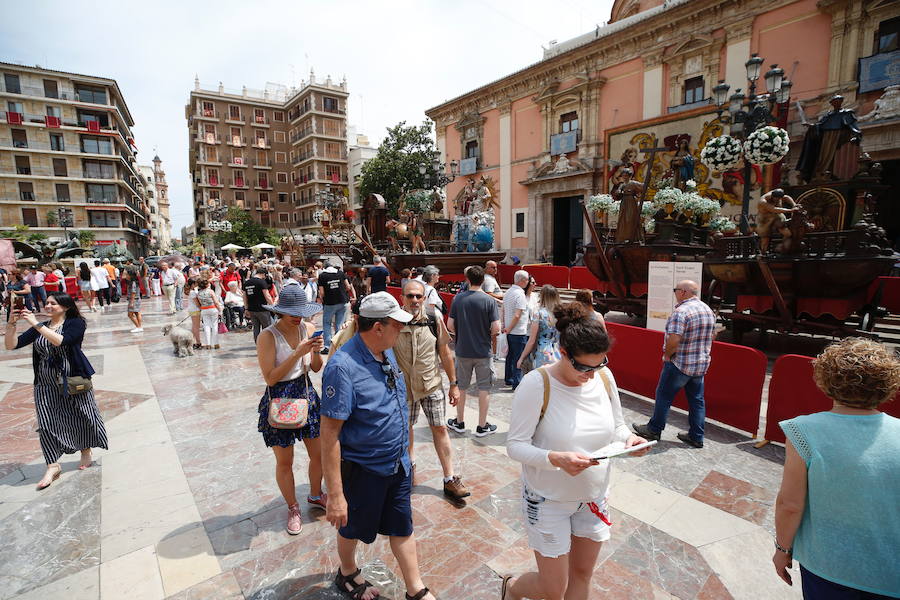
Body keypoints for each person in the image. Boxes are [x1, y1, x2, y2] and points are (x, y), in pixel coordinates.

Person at [504, 303, 651, 600]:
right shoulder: (537, 384)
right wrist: (555, 459)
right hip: (548, 499)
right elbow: (515, 445)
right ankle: (511, 587)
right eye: (584, 366)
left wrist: (630, 440)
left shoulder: (604, 378)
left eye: (600, 364)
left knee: (582, 575)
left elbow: (618, 426)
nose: (591, 374)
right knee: (552, 589)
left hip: (593, 496)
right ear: (563, 352)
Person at [320, 292, 436, 600]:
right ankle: (347, 572)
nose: (402, 329)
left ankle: (416, 589)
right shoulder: (342, 366)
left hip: (397, 463)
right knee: (352, 526)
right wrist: (335, 495)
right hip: (364, 468)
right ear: (378, 327)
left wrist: (407, 458)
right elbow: (329, 434)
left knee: (402, 526)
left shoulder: (387, 351)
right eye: (396, 324)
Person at [773, 337, 900, 599]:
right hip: (890, 571)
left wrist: (782, 549)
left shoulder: (802, 431)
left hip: (828, 566)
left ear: (825, 381)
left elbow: (790, 504)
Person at [4, 293, 108, 490]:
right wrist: (11, 324)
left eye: (53, 303)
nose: (48, 305)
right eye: (47, 302)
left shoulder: (76, 323)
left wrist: (36, 324)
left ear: (65, 306)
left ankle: (85, 449)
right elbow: (11, 345)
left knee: (81, 414)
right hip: (44, 382)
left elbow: (61, 341)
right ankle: (52, 465)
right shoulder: (41, 326)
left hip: (73, 378)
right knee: (46, 421)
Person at [256, 285, 326, 535]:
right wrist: (297, 353)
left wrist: (316, 351)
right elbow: (271, 378)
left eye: (300, 312)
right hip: (280, 398)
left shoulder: (306, 328)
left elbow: (316, 368)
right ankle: (292, 507)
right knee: (285, 461)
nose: (297, 316)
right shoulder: (267, 336)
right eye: (290, 312)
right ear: (279, 312)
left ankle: (316, 494)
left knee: (318, 454)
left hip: (306, 393)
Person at [394, 280, 469, 501]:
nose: (415, 300)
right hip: (405, 387)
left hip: (431, 385)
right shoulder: (394, 321)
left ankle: (450, 478)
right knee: (406, 429)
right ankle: (409, 467)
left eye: (418, 296)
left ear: (424, 298)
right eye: (410, 296)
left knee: (440, 428)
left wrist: (454, 384)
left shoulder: (434, 318)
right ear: (402, 298)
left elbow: (445, 353)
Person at [633, 280, 716, 448]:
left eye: (675, 290)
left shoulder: (681, 311)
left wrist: (667, 355)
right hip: (699, 364)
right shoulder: (707, 309)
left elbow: (674, 339)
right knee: (697, 400)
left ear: (683, 292)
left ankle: (654, 429)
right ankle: (696, 436)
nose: (675, 293)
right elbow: (713, 335)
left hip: (680, 364)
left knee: (664, 396)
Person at [447, 266, 501, 437]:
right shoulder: (489, 301)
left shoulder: (458, 299)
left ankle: (460, 421)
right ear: (483, 280)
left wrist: (463, 332)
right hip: (483, 351)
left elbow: (450, 326)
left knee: (461, 387)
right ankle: (482, 425)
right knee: (484, 388)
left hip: (463, 350)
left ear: (467, 279)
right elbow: (496, 328)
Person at [518, 284, 562, 372]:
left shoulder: (539, 314)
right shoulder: (562, 313)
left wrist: (521, 357)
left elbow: (532, 340)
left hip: (543, 352)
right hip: (559, 352)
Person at [318, 260, 356, 354]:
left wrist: (322, 299)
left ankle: (327, 346)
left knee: (327, 323)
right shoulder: (340, 273)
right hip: (342, 301)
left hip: (330, 302)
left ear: (324, 267)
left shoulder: (322, 276)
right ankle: (339, 344)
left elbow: (322, 292)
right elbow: (348, 287)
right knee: (339, 324)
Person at [503, 270, 531, 390]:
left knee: (510, 356)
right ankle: (517, 382)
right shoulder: (520, 295)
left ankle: (508, 378)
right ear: (523, 281)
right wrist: (509, 328)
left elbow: (504, 310)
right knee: (518, 358)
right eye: (527, 280)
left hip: (509, 330)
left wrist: (506, 328)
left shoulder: (508, 292)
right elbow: (517, 315)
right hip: (518, 331)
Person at [757, 189, 799, 254]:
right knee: (765, 237)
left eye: (779, 199)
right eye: (776, 199)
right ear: (772, 196)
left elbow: (787, 197)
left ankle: (784, 248)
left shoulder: (779, 195)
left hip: (777, 216)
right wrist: (791, 210)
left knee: (788, 233)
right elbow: (774, 209)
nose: (777, 200)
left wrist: (794, 204)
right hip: (765, 219)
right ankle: (763, 253)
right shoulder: (763, 201)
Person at [244, 266, 275, 343]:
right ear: (263, 274)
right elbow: (267, 295)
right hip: (262, 309)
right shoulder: (261, 282)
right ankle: (266, 345)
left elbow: (244, 296)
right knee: (266, 328)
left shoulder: (247, 282)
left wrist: (246, 308)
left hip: (251, 309)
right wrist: (273, 307)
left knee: (256, 328)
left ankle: (258, 345)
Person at [194, 279, 223, 350]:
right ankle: (216, 343)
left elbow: (198, 304)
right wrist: (220, 310)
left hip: (204, 309)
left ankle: (208, 344)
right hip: (213, 309)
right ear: (207, 285)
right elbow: (216, 302)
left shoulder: (198, 293)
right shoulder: (210, 291)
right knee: (214, 326)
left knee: (206, 326)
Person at [123, 268, 143, 333]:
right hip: (136, 299)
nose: (126, 275)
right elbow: (123, 277)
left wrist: (131, 302)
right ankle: (140, 327)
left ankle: (138, 326)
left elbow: (133, 292)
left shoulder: (133, 283)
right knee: (137, 313)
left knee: (130, 314)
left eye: (127, 274)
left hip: (134, 300)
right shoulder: (133, 281)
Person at [185, 278, 202, 349]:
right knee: (196, 327)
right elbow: (197, 303)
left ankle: (190, 341)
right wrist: (202, 308)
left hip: (192, 309)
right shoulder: (192, 292)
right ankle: (198, 342)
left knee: (194, 326)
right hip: (195, 310)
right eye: (195, 283)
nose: (197, 284)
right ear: (192, 284)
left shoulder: (191, 291)